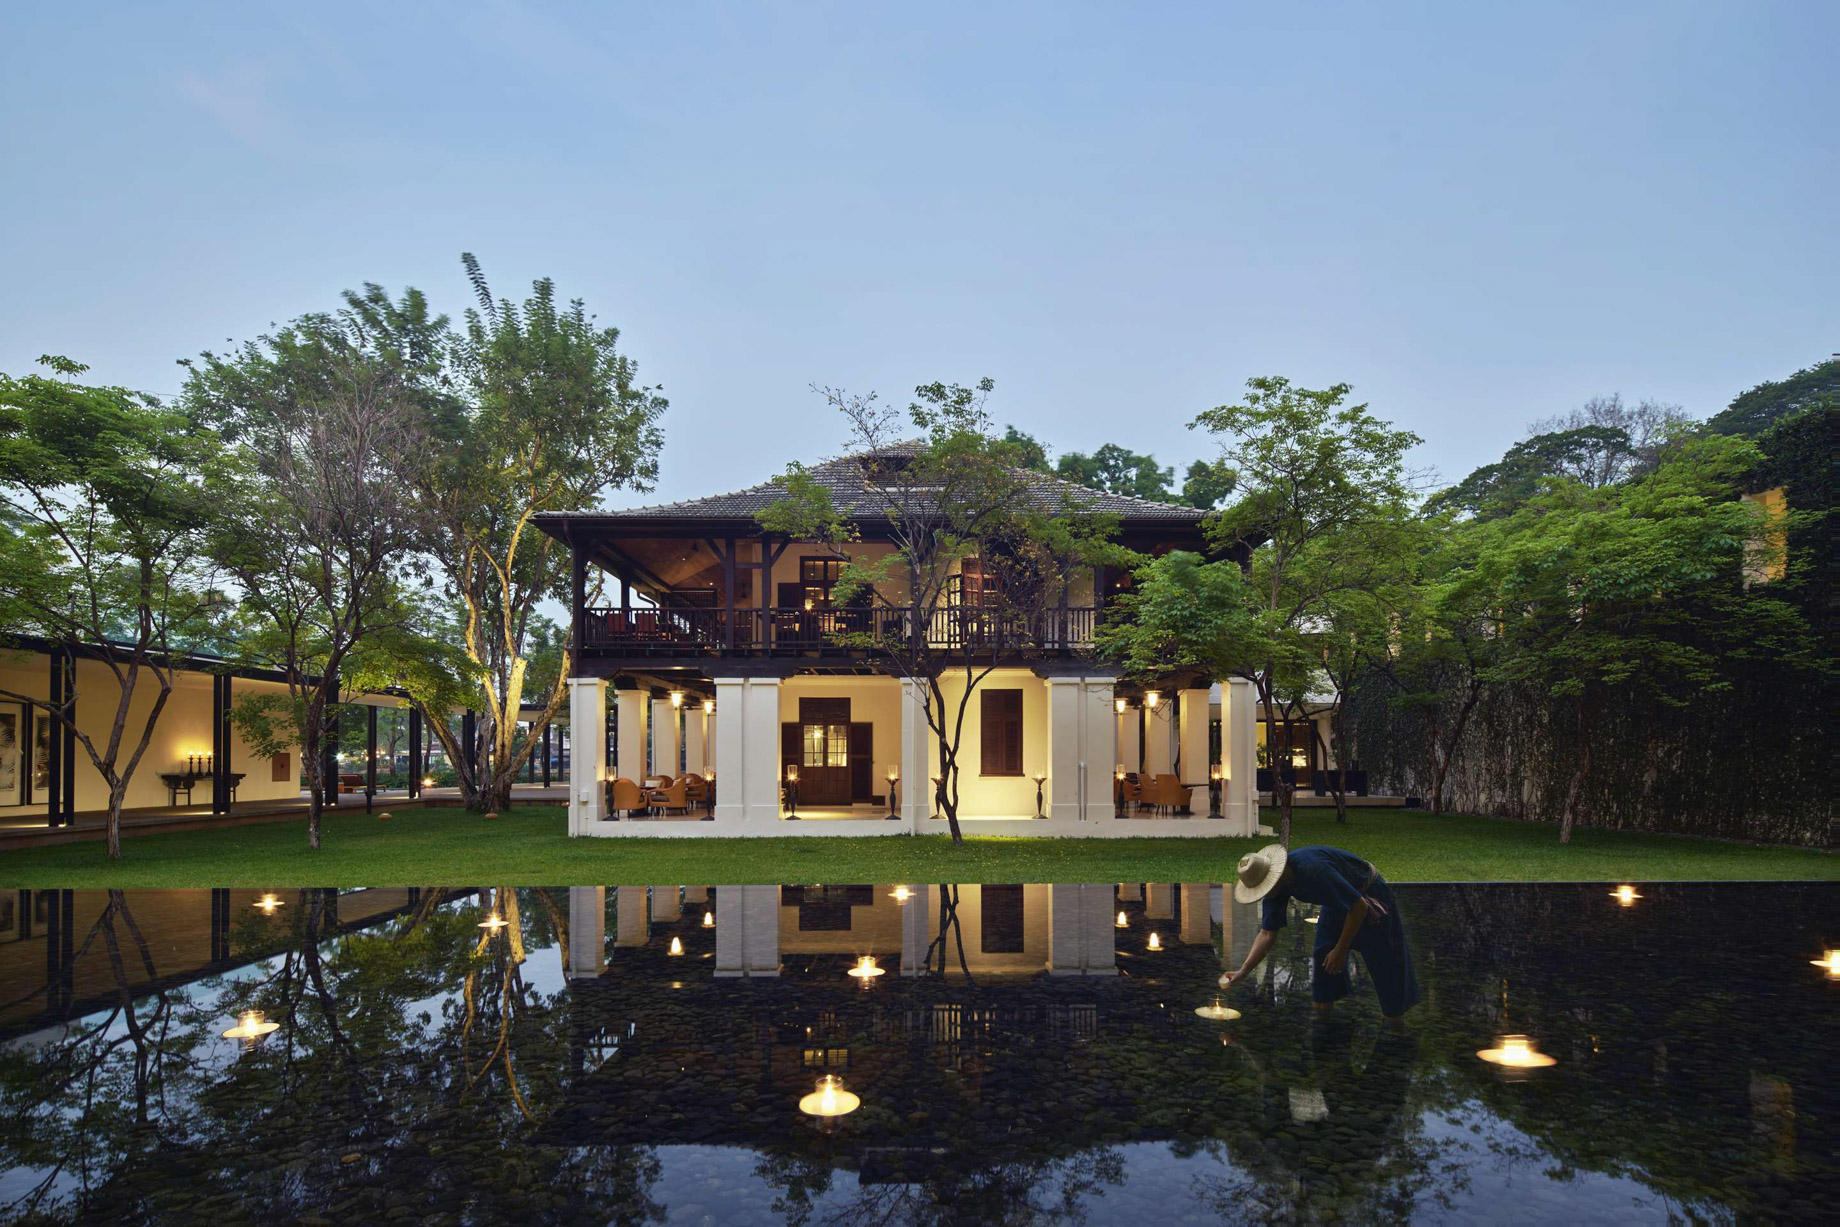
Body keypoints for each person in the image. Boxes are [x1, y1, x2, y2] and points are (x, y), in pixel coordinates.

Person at [1218, 843, 1420, 1019]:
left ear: (1273, 877)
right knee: (1324, 965)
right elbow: (1267, 934)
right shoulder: (1276, 890)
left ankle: (1395, 1029)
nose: (1263, 894)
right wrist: (1243, 971)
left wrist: (1341, 950)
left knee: (1387, 971)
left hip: (1369, 896)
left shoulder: (1314, 870)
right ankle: (1325, 1029)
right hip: (1336, 904)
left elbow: (1359, 907)